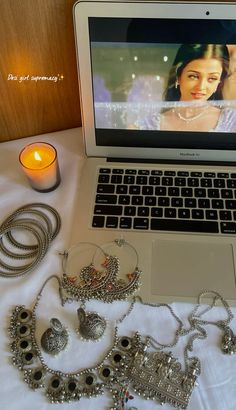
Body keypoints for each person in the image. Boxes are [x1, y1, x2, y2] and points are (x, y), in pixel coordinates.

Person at [136, 44, 236, 132]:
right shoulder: (148, 126)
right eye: (193, 76)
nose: (201, 87)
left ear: (219, 83)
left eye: (212, 78)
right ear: (178, 77)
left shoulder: (232, 121)